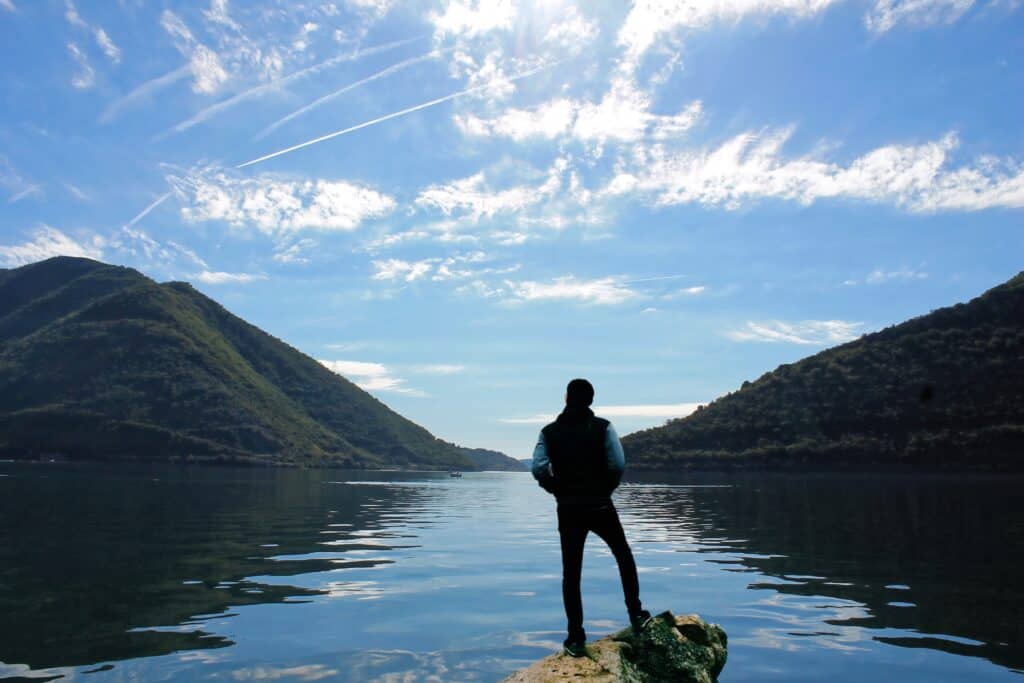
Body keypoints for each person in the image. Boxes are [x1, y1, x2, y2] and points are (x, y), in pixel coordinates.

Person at [531, 378, 652, 657]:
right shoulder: (603, 427)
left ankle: (575, 637)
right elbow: (618, 464)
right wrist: (604, 489)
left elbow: (538, 467)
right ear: (591, 400)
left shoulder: (549, 432)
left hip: (569, 509)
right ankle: (636, 613)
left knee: (571, 573)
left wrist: (555, 489)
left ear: (566, 398)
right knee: (623, 555)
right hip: (600, 505)